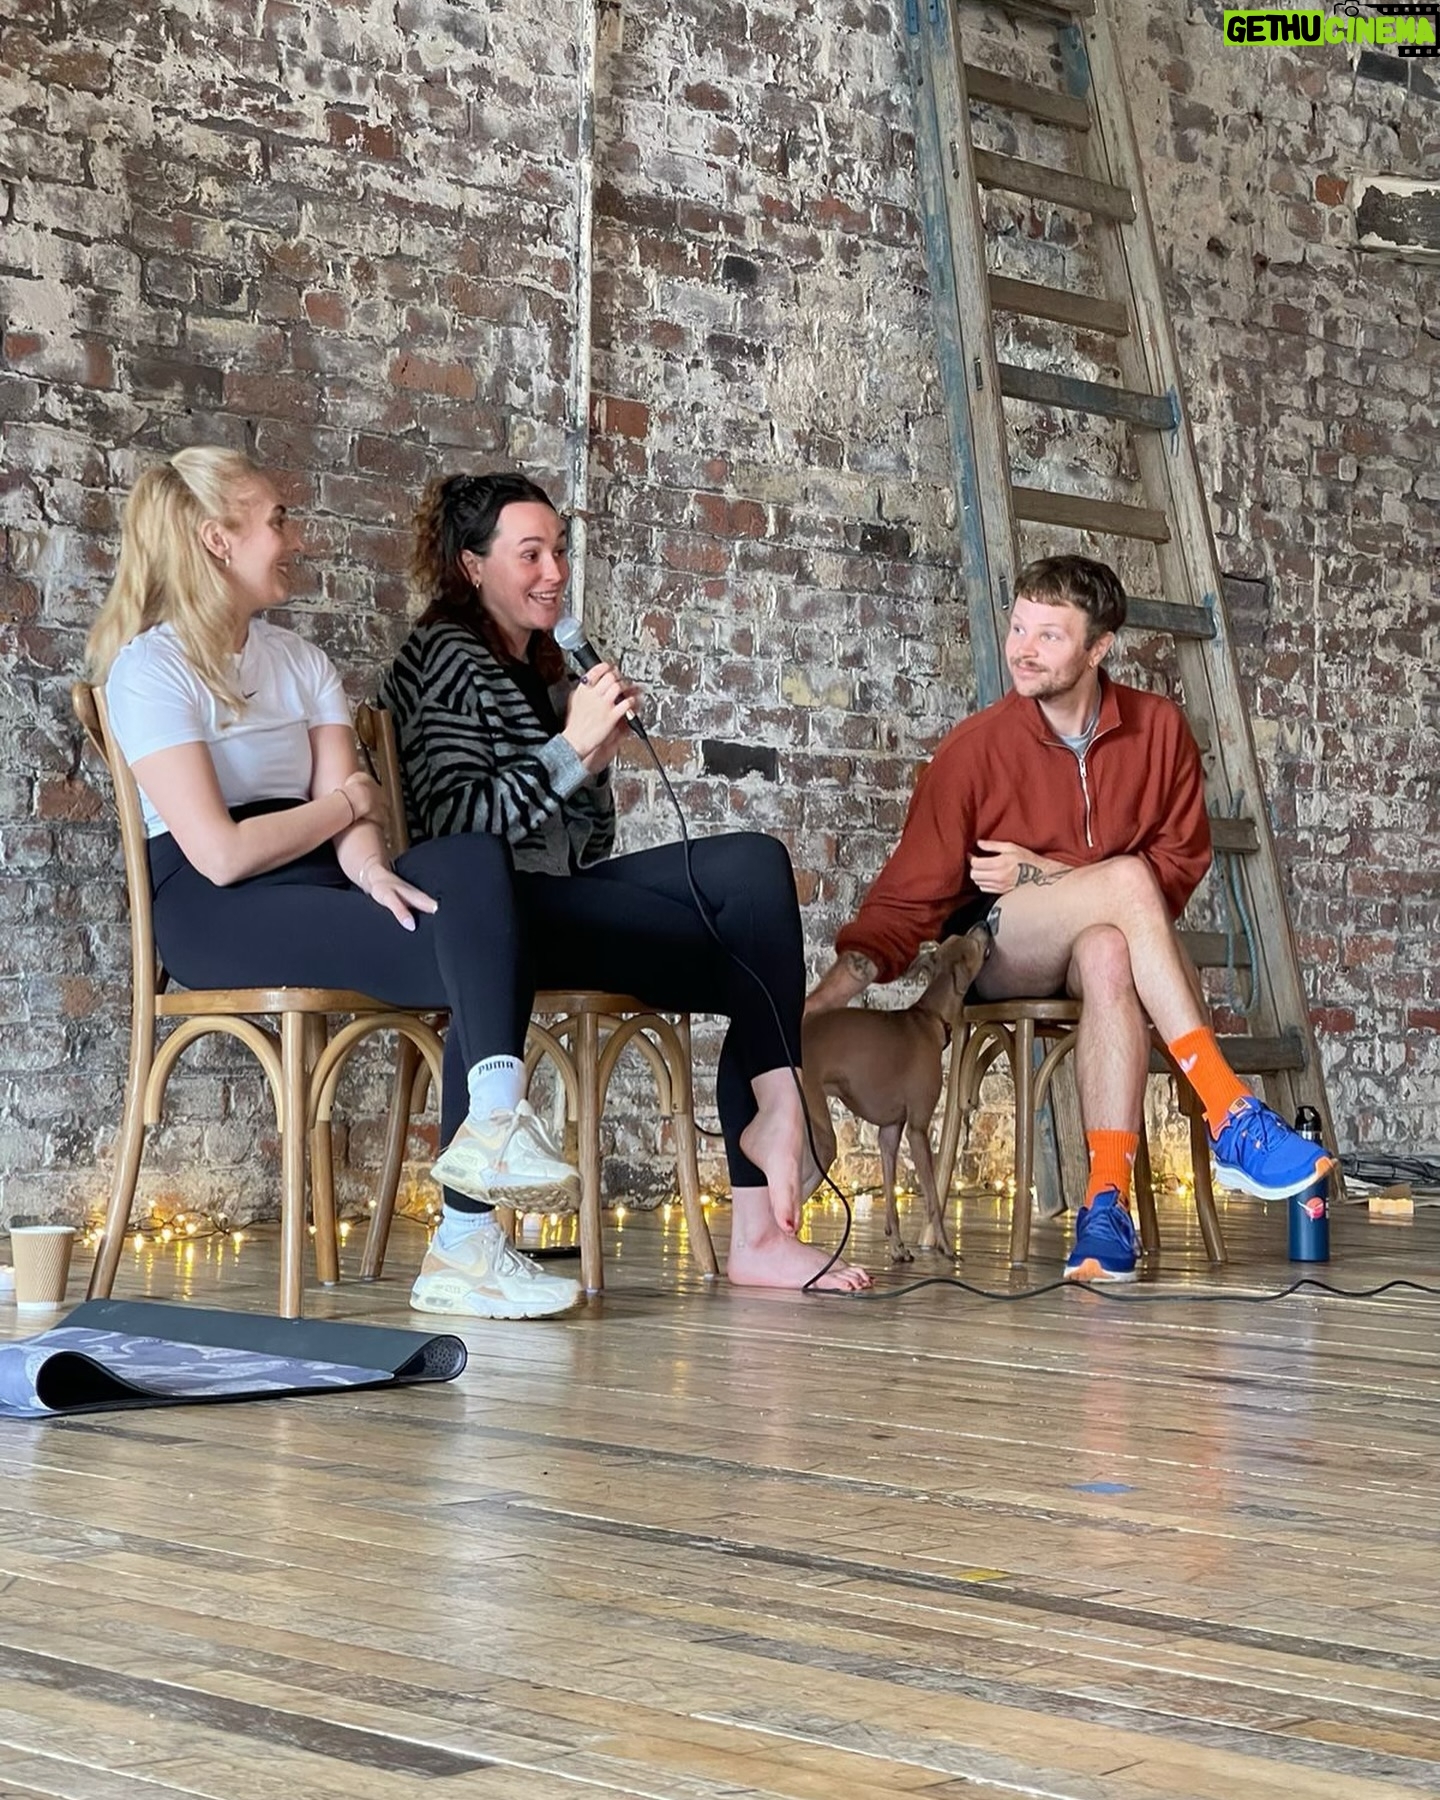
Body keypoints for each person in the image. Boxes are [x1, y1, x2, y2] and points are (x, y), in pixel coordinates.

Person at [88, 447, 587, 1323]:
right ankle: (468, 1237)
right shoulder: (149, 669)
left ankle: (488, 1146)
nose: (294, 539)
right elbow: (222, 853)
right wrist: (345, 808)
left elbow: (356, 809)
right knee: (483, 947)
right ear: (217, 540)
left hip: (325, 881)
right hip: (214, 909)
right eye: (276, 521)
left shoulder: (301, 661)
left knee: (472, 868)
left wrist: (368, 866)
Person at [381, 471, 870, 1292]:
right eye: (530, 554)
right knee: (743, 930)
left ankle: (770, 1169)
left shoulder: (542, 665)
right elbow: (457, 830)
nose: (555, 572)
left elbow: (588, 845)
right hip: (488, 923)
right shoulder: (442, 659)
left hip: (557, 901)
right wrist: (569, 750)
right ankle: (764, 1181)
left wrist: (594, 762)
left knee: (753, 883)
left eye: (559, 551)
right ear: (472, 565)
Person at [807, 553, 1334, 1283]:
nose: (1023, 649)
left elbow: (1176, 869)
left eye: (1049, 636)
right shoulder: (975, 749)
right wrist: (822, 1001)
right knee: (1125, 884)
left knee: (1111, 948)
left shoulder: (1159, 731)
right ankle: (1230, 1113)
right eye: (1018, 627)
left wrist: (1042, 869)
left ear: (1098, 648)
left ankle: (1104, 1204)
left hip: (1106, 938)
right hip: (1002, 946)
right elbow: (906, 897)